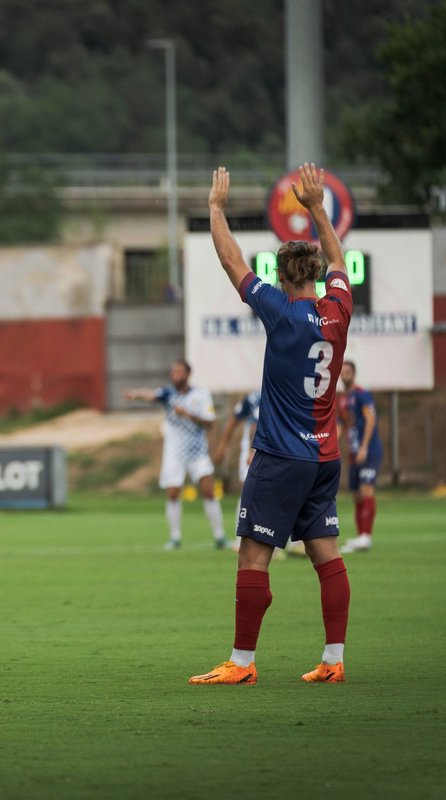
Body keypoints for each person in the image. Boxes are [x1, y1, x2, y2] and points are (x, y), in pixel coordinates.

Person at [188, 164, 353, 685]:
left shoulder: (279, 312)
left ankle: (241, 665)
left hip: (281, 456)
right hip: (325, 458)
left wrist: (216, 209)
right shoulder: (339, 310)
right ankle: (333, 659)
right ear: (317, 275)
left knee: (252, 557)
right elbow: (339, 260)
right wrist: (318, 208)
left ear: (282, 278)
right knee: (327, 557)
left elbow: (231, 259)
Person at [124, 360, 226, 550]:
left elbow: (210, 423)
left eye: (179, 371)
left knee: (208, 491)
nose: (175, 375)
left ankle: (219, 536)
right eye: (173, 372)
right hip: (174, 452)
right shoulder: (168, 393)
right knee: (172, 493)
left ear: (188, 374)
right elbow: (150, 394)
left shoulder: (201, 394)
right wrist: (136, 394)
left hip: (197, 451)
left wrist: (187, 414)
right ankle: (175, 537)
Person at [337, 361, 382, 552]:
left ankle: (366, 537)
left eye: (348, 371)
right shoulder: (342, 400)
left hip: (368, 451)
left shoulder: (362, 395)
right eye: (342, 372)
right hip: (353, 452)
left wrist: (364, 447)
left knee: (366, 491)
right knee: (356, 495)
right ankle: (360, 536)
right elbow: (341, 425)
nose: (344, 374)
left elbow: (371, 419)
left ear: (353, 374)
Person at [213, 390, 262, 552]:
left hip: (268, 449)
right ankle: (242, 538)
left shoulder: (281, 394)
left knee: (261, 492)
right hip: (255, 448)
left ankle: (278, 540)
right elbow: (237, 419)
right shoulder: (255, 397)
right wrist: (223, 446)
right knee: (249, 491)